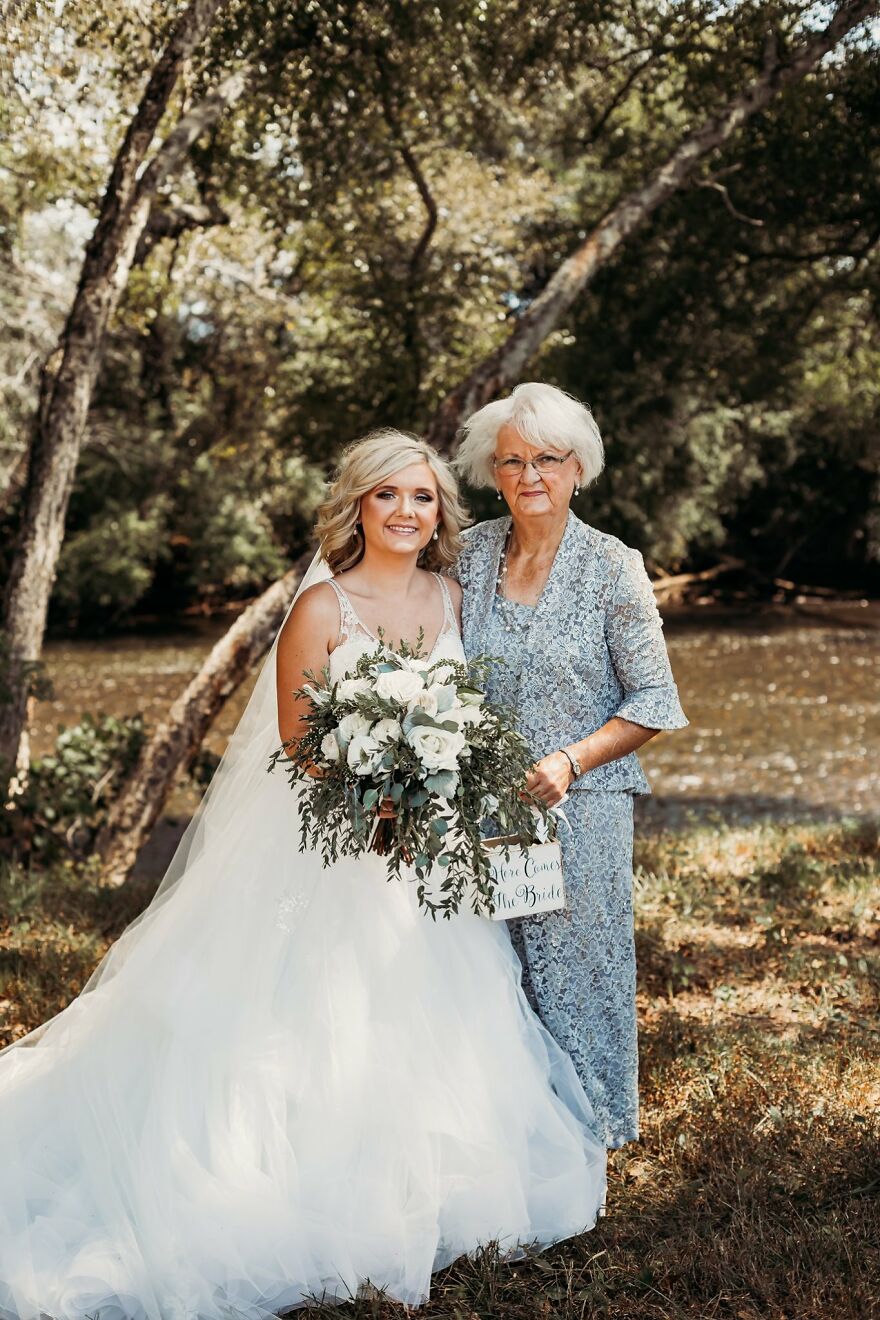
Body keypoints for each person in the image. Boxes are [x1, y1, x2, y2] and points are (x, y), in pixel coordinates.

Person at [0, 428, 606, 1320]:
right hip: (340, 853)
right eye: (387, 496)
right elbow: (298, 747)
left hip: (428, 853)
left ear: (441, 509)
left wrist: (451, 780)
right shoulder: (323, 608)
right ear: (357, 506)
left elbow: (472, 707)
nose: (407, 511)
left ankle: (436, 1183)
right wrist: (378, 797)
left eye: (423, 496)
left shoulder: (452, 595)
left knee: (442, 1009)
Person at [452, 383, 689, 1151]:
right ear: (494, 472)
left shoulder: (612, 567)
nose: (530, 476)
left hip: (579, 807)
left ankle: (593, 1132)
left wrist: (570, 759)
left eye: (547, 460)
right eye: (513, 461)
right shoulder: (469, 553)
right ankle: (510, 1137)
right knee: (490, 967)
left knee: (578, 971)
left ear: (578, 468)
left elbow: (654, 697)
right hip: (478, 809)